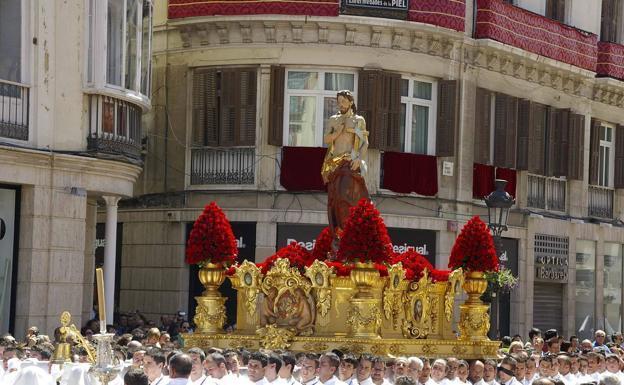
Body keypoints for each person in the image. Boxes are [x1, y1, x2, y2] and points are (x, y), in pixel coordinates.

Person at [321, 89, 370, 252]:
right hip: (335, 164)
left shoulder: (359, 120)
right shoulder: (334, 119)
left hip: (350, 162)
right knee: (334, 200)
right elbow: (326, 139)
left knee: (346, 197)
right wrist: (337, 132)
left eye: (343, 101)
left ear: (350, 102)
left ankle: (349, 231)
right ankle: (338, 233)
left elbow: (364, 143)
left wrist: (359, 160)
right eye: (339, 101)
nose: (340, 104)